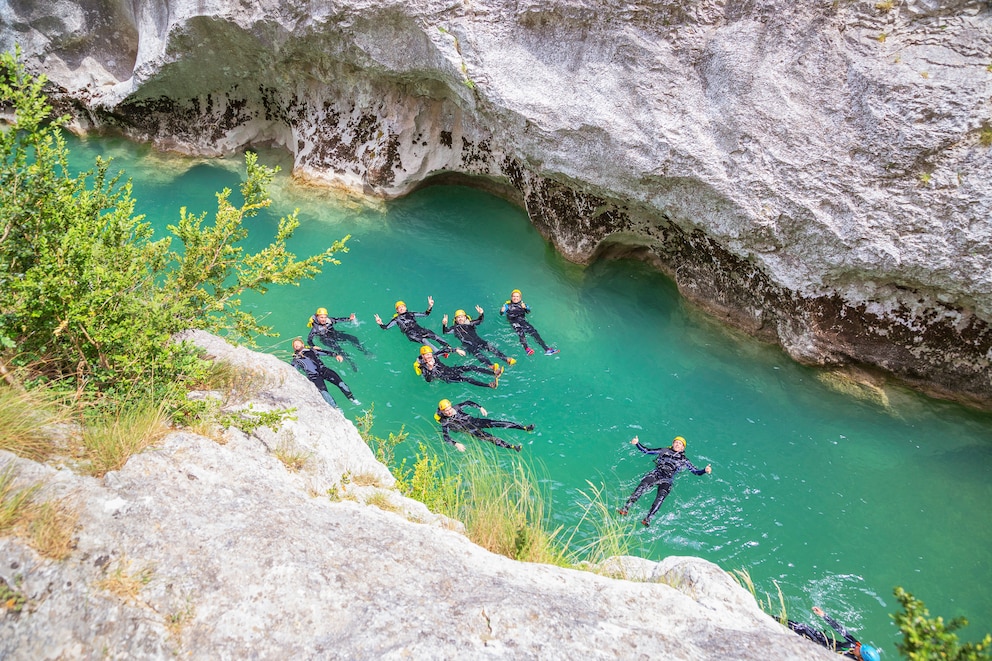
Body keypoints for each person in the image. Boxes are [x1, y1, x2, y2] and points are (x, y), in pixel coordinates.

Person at [618, 435, 711, 526]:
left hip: (667, 479)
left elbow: (695, 471)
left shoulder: (684, 460)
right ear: (673, 444)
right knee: (642, 486)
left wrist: (704, 470)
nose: (677, 444)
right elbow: (647, 451)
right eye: (676, 442)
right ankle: (626, 508)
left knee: (661, 497)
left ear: (683, 448)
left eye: (680, 444)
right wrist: (637, 443)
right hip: (656, 474)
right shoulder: (663, 451)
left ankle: (648, 518)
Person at [434, 398, 533, 452]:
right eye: (446, 411)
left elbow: (468, 402)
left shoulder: (457, 408)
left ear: (451, 406)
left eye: (449, 409)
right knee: (491, 438)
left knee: (497, 423)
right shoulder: (445, 422)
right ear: (442, 412)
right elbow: (446, 438)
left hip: (476, 421)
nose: (449, 412)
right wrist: (456, 444)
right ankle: (513, 447)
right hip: (471, 430)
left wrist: (480, 407)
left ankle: (524, 428)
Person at [787, 607, 881, 661]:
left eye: (859, 650)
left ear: (861, 659)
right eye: (860, 646)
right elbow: (840, 630)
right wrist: (824, 615)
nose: (858, 647)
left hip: (819, 649)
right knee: (800, 627)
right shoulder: (855, 644)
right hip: (822, 640)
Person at [374, 297, 461, 354]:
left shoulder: (411, 314)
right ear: (397, 311)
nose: (401, 308)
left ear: (405, 307)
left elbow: (425, 314)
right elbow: (386, 328)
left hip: (419, 329)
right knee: (424, 341)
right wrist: (380, 323)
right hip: (411, 334)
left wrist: (430, 306)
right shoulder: (396, 319)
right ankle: (440, 353)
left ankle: (447, 346)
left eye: (402, 306)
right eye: (398, 308)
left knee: (433, 335)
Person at [290, 338, 360, 408]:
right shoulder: (296, 359)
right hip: (314, 377)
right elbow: (293, 370)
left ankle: (352, 399)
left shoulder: (312, 350)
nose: (296, 345)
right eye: (294, 345)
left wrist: (336, 355)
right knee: (324, 392)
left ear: (302, 344)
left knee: (341, 383)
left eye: (297, 343)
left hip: (323, 370)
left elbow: (325, 352)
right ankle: (336, 409)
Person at [442, 305, 516, 367]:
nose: (460, 318)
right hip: (468, 345)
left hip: (478, 340)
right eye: (458, 317)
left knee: (491, 348)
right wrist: (444, 324)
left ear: (465, 317)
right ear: (455, 319)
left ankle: (506, 359)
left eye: (462, 316)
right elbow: (446, 332)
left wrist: (481, 314)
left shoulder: (470, 323)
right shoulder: (455, 328)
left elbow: (480, 320)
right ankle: (491, 366)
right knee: (478, 355)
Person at [306, 307, 370, 372]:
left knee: (353, 338)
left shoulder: (329, 320)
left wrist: (349, 319)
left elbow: (338, 319)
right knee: (340, 350)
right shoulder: (315, 329)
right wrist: (313, 346)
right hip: (326, 340)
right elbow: (309, 340)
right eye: (321, 317)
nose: (324, 319)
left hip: (335, 335)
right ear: (317, 317)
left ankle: (364, 351)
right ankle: (352, 364)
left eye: (325, 317)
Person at [499, 288, 558, 356]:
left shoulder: (523, 304)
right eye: (514, 296)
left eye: (517, 296)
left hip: (522, 321)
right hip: (513, 321)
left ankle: (547, 349)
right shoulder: (507, 305)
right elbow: (502, 313)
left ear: (520, 298)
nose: (515, 298)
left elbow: (528, 312)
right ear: (511, 297)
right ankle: (527, 349)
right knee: (521, 333)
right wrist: (502, 311)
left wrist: (525, 308)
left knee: (534, 332)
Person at [414, 345, 502, 389]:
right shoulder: (423, 366)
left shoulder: (434, 356)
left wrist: (456, 350)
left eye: (430, 354)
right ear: (422, 356)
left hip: (449, 369)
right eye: (426, 355)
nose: (429, 357)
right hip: (446, 377)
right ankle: (489, 385)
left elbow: (444, 350)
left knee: (471, 367)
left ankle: (493, 373)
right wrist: (430, 368)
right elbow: (428, 380)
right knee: (467, 378)